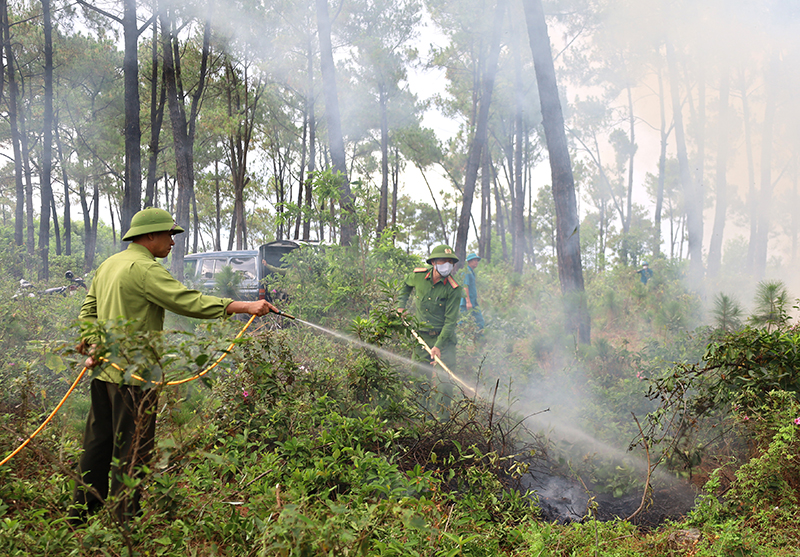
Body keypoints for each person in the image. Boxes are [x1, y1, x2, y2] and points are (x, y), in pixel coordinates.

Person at [71, 207, 278, 524]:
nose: (172, 241)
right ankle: (123, 523)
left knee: (97, 445)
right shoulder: (145, 269)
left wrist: (93, 341)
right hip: (135, 378)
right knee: (134, 450)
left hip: (103, 373)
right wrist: (245, 304)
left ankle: (80, 514)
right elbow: (188, 301)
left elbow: (88, 312)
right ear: (150, 235)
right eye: (168, 234)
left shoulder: (109, 264)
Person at [397, 245, 462, 395]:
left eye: (450, 262)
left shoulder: (453, 289)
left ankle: (443, 418)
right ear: (433, 262)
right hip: (421, 337)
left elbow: (450, 322)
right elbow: (406, 285)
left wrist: (438, 346)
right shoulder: (419, 276)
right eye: (442, 261)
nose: (447, 265)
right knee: (419, 380)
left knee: (444, 383)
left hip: (444, 340)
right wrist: (400, 306)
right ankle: (422, 416)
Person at [459, 253, 485, 331]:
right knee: (463, 321)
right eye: (474, 260)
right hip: (466, 304)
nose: (476, 262)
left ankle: (479, 339)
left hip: (473, 302)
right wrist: (468, 302)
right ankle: (460, 340)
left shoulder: (471, 272)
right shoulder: (467, 272)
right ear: (469, 262)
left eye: (477, 260)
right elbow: (465, 286)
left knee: (479, 321)